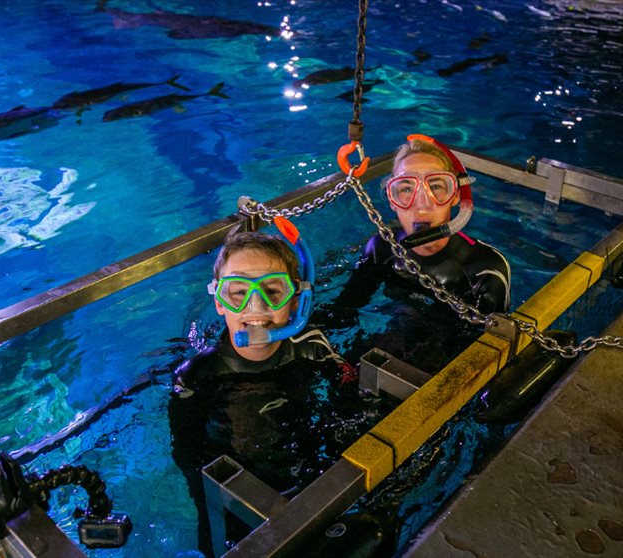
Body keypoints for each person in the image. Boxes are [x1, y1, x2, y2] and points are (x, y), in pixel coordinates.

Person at [167, 223, 383, 556]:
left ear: (296, 302)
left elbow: (353, 405)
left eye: (273, 290)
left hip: (307, 473)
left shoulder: (311, 348)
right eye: (238, 292)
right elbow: (187, 454)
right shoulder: (196, 376)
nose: (255, 307)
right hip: (231, 494)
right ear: (220, 303)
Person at [320, 134, 512, 365]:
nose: (422, 202)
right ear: (392, 201)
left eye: (437, 186)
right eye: (406, 189)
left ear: (456, 196)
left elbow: (485, 353)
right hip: (393, 334)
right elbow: (343, 311)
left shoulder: (485, 271)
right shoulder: (382, 248)